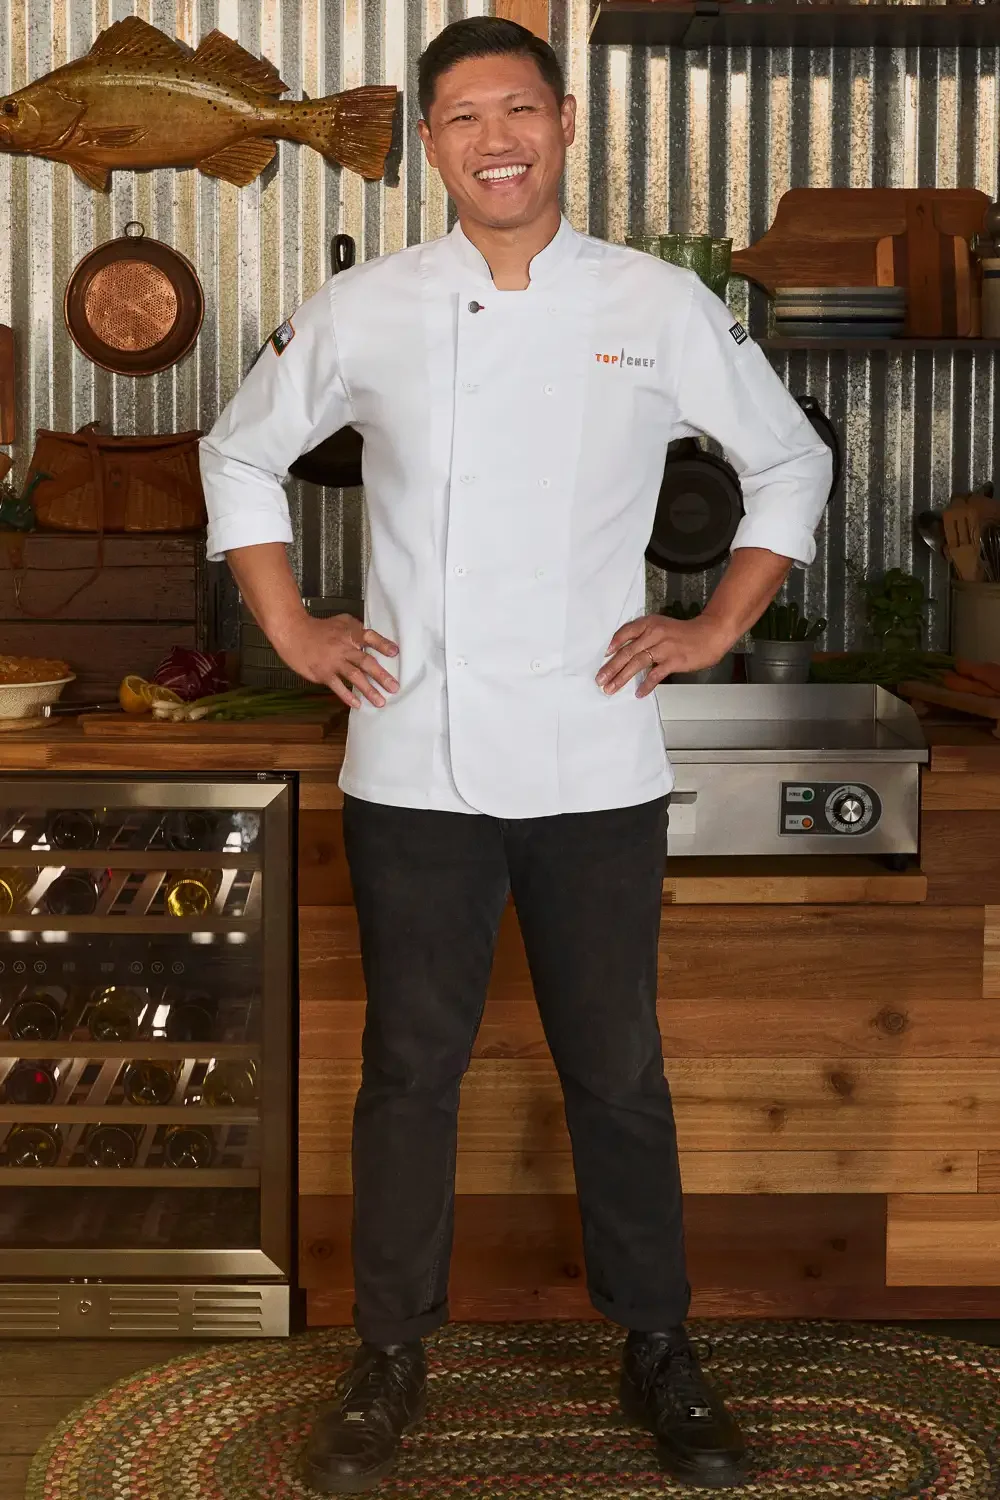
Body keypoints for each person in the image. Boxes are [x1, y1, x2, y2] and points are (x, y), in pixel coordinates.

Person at [200, 16, 832, 1494]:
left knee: (616, 1068)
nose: (498, 137)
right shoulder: (366, 307)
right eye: (465, 116)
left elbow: (788, 457)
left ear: (563, 126)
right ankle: (389, 1355)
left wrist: (714, 624)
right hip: (411, 757)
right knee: (409, 1069)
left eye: (521, 109)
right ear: (430, 145)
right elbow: (238, 451)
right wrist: (293, 627)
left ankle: (658, 1344)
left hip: (594, 756)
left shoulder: (655, 302)